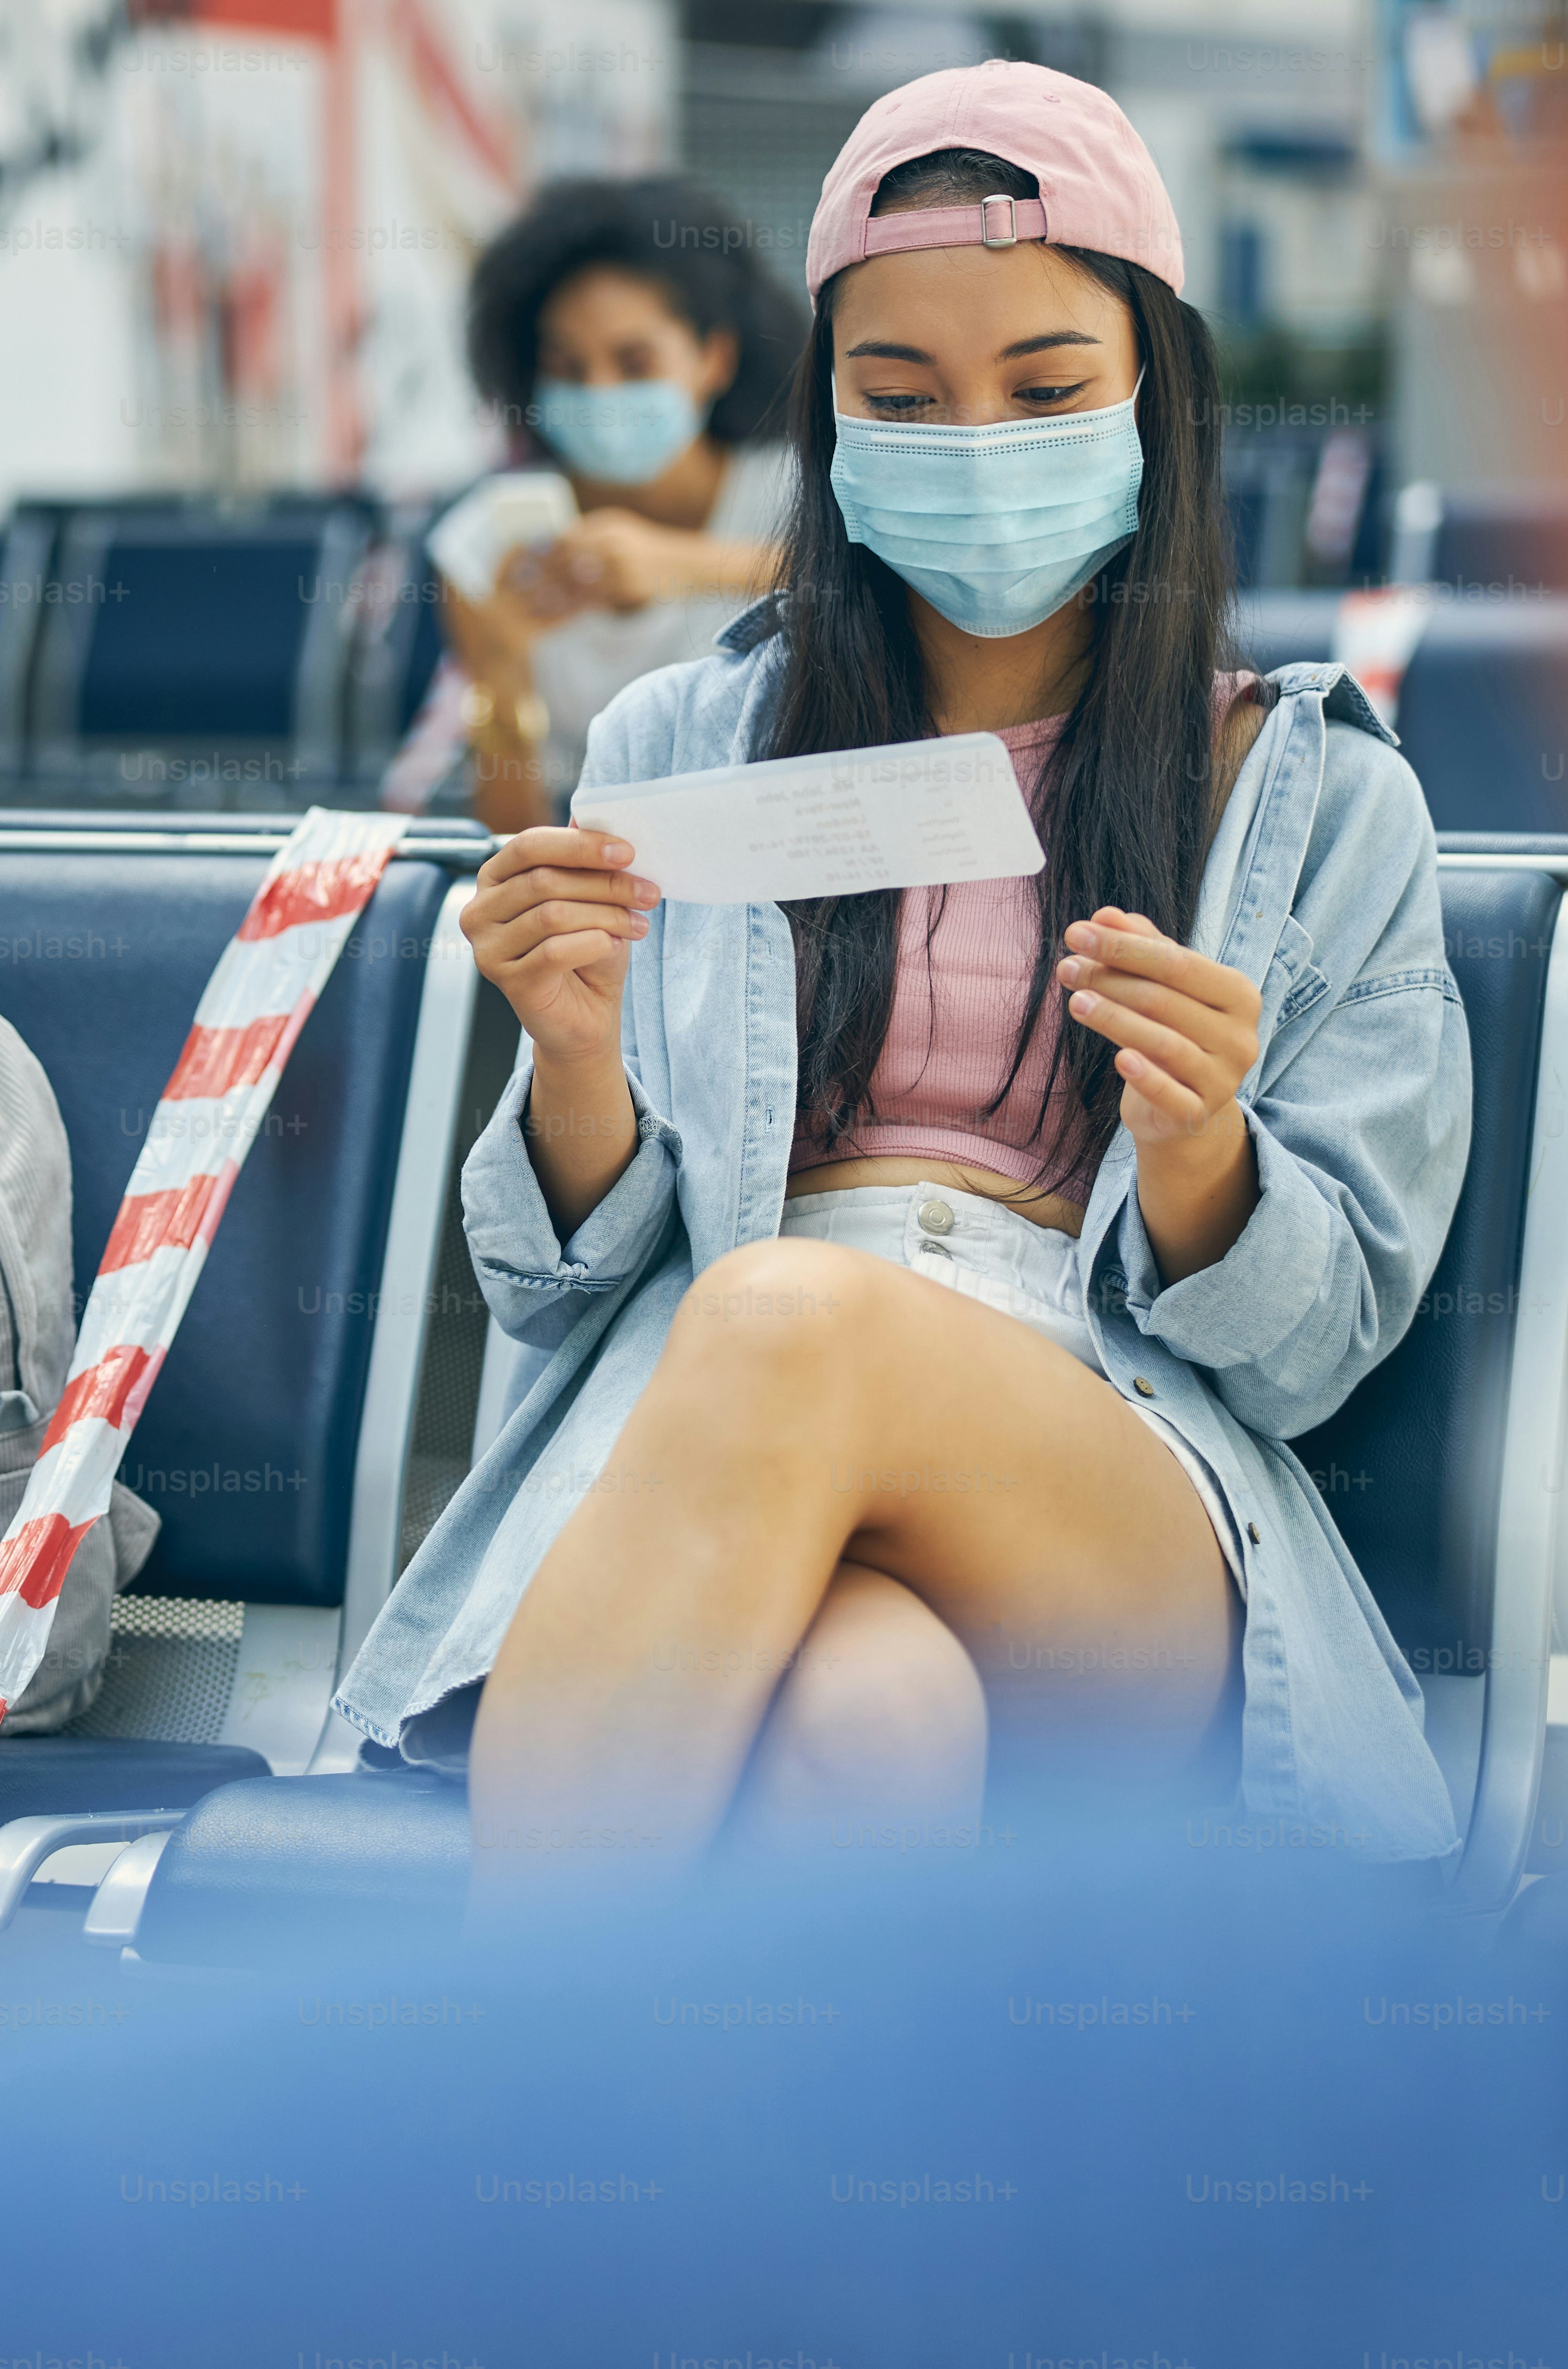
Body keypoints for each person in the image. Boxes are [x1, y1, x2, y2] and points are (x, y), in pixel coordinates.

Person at [337, 64, 1473, 1916]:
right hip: (733, 1437)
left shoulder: (1315, 798)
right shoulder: (682, 736)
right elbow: (549, 1286)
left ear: (1155, 401)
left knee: (788, 1314)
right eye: (900, 398)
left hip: (1111, 1485)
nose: (975, 442)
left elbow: (1321, 1350)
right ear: (829, 417)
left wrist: (1198, 1153)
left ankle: (489, 2133)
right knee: (862, 1727)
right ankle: (790, 2203)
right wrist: (568, 1062)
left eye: (1043, 391)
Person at [446, 177, 805, 831]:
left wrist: (688, 565)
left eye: (634, 362)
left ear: (714, 359)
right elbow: (511, 840)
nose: (601, 392)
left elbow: (874, 594)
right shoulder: (483, 548)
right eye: (569, 367)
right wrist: (501, 672)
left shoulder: (802, 495)